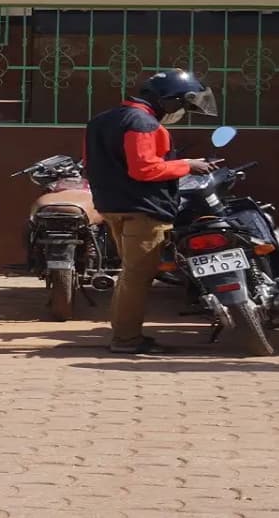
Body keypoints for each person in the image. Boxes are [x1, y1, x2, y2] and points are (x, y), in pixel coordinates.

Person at [84, 69, 217, 354]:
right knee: (137, 277)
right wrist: (187, 165)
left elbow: (92, 162)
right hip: (143, 209)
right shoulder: (143, 123)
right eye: (182, 105)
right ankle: (126, 339)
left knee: (130, 274)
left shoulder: (102, 120)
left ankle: (123, 334)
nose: (181, 111)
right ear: (170, 99)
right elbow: (144, 169)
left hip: (112, 206)